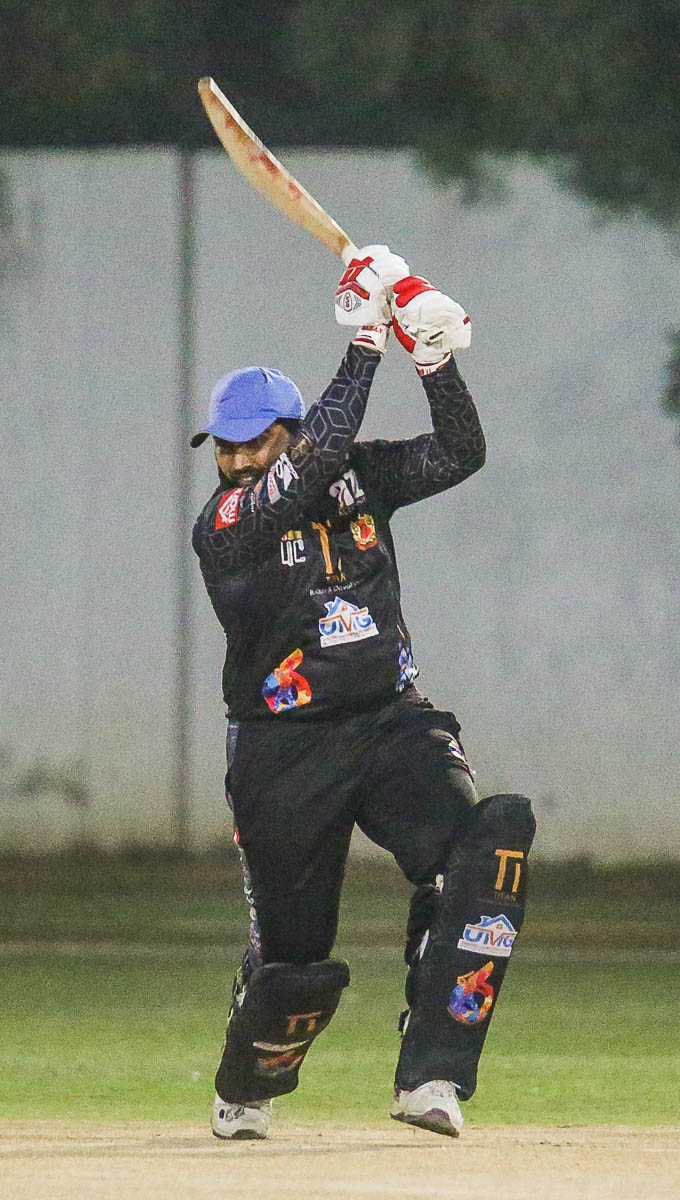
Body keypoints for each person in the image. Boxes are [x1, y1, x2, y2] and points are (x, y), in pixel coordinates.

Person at [191, 246, 536, 1141]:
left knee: (482, 854)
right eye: (224, 445)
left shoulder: (357, 476)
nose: (235, 459)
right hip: (281, 747)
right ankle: (246, 1087)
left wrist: (433, 359)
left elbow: (461, 452)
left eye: (252, 441)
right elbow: (298, 479)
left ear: (290, 429)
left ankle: (432, 1076)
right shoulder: (226, 523)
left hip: (389, 722)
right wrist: (366, 341)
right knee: (296, 961)